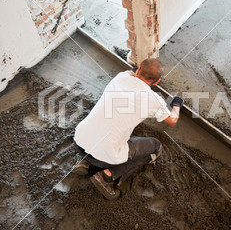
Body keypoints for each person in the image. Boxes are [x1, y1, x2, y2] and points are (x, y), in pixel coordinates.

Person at [73, 58, 183, 200]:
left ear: (138, 70)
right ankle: (107, 176)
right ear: (157, 82)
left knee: (107, 129)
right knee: (155, 146)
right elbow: (172, 120)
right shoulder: (155, 100)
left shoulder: (121, 77)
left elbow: (131, 72)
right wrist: (177, 104)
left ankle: (85, 162)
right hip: (105, 157)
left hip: (79, 141)